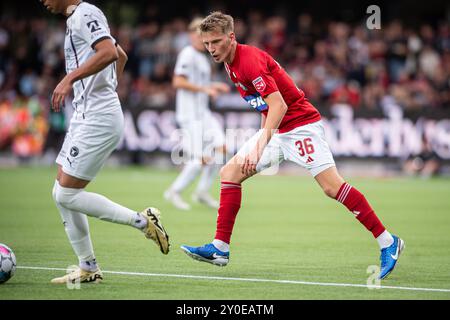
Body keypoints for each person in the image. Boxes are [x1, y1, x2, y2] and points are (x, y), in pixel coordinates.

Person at [181, 12, 405, 280]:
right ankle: (220, 248)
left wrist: (258, 146)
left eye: (216, 42)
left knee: (332, 187)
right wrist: (262, 136)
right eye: (207, 44)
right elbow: (267, 106)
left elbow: (280, 104)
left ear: (231, 37)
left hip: (301, 127)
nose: (211, 49)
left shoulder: (248, 61)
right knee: (230, 173)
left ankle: (388, 241)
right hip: (279, 130)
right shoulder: (229, 64)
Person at [40, 0, 170, 284]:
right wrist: (104, 89)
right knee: (59, 192)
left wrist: (68, 80)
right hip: (87, 115)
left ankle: (142, 221)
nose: (42, 1)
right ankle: (88, 267)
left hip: (96, 118)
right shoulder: (77, 17)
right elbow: (120, 54)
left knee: (66, 195)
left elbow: (110, 52)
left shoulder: (85, 13)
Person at [164, 18, 230, 211]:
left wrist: (212, 86)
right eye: (198, 34)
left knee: (222, 148)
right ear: (192, 35)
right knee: (199, 159)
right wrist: (205, 89)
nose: (202, 38)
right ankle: (174, 191)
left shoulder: (202, 56)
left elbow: (199, 84)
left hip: (203, 113)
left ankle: (202, 191)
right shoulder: (187, 54)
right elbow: (178, 82)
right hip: (189, 115)